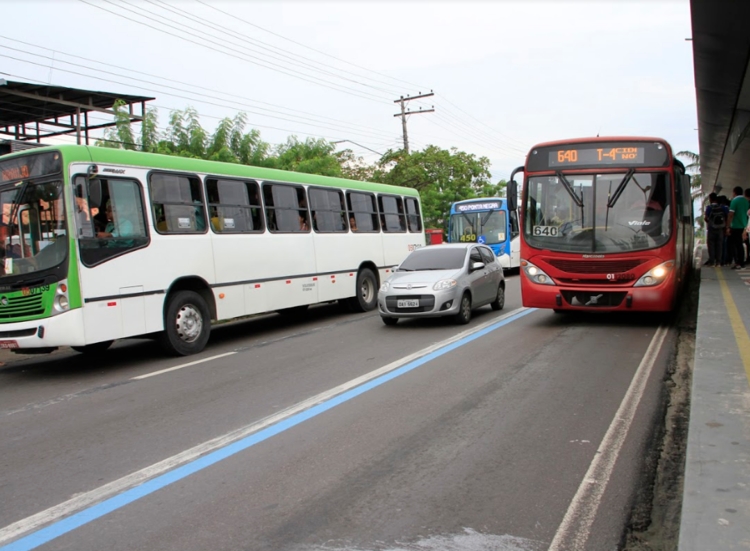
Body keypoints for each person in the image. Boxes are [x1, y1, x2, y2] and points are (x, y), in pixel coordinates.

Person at [726, 186, 749, 269]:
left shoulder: (734, 201)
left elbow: (731, 214)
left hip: (736, 226)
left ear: (734, 192)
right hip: (745, 226)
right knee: (741, 245)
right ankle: (741, 262)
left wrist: (728, 226)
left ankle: (738, 262)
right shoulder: (746, 201)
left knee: (736, 245)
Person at [704, 192, 729, 267]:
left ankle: (712, 262)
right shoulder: (722, 207)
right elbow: (727, 216)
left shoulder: (709, 207)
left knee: (711, 245)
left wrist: (709, 222)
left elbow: (706, 218)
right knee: (719, 245)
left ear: (710, 199)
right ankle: (718, 262)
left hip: (711, 229)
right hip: (721, 229)